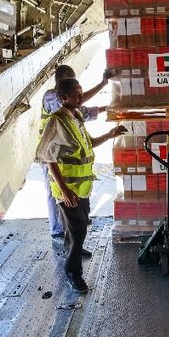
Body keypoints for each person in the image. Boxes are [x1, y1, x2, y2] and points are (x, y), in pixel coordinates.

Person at [35, 77, 126, 292]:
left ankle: (72, 249)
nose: (81, 98)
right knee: (78, 231)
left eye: (81, 93)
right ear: (63, 98)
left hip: (82, 187)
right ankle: (73, 272)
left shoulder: (75, 117)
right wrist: (65, 191)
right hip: (68, 188)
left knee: (80, 224)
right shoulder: (57, 121)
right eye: (77, 95)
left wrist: (111, 134)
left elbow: (89, 144)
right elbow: (49, 159)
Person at [42, 65, 114, 239]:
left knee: (75, 213)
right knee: (57, 194)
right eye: (71, 82)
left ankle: (72, 228)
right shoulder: (52, 98)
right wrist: (102, 84)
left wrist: (110, 108)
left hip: (67, 161)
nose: (79, 96)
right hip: (52, 154)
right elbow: (76, 101)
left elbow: (85, 112)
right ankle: (57, 229)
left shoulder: (74, 113)